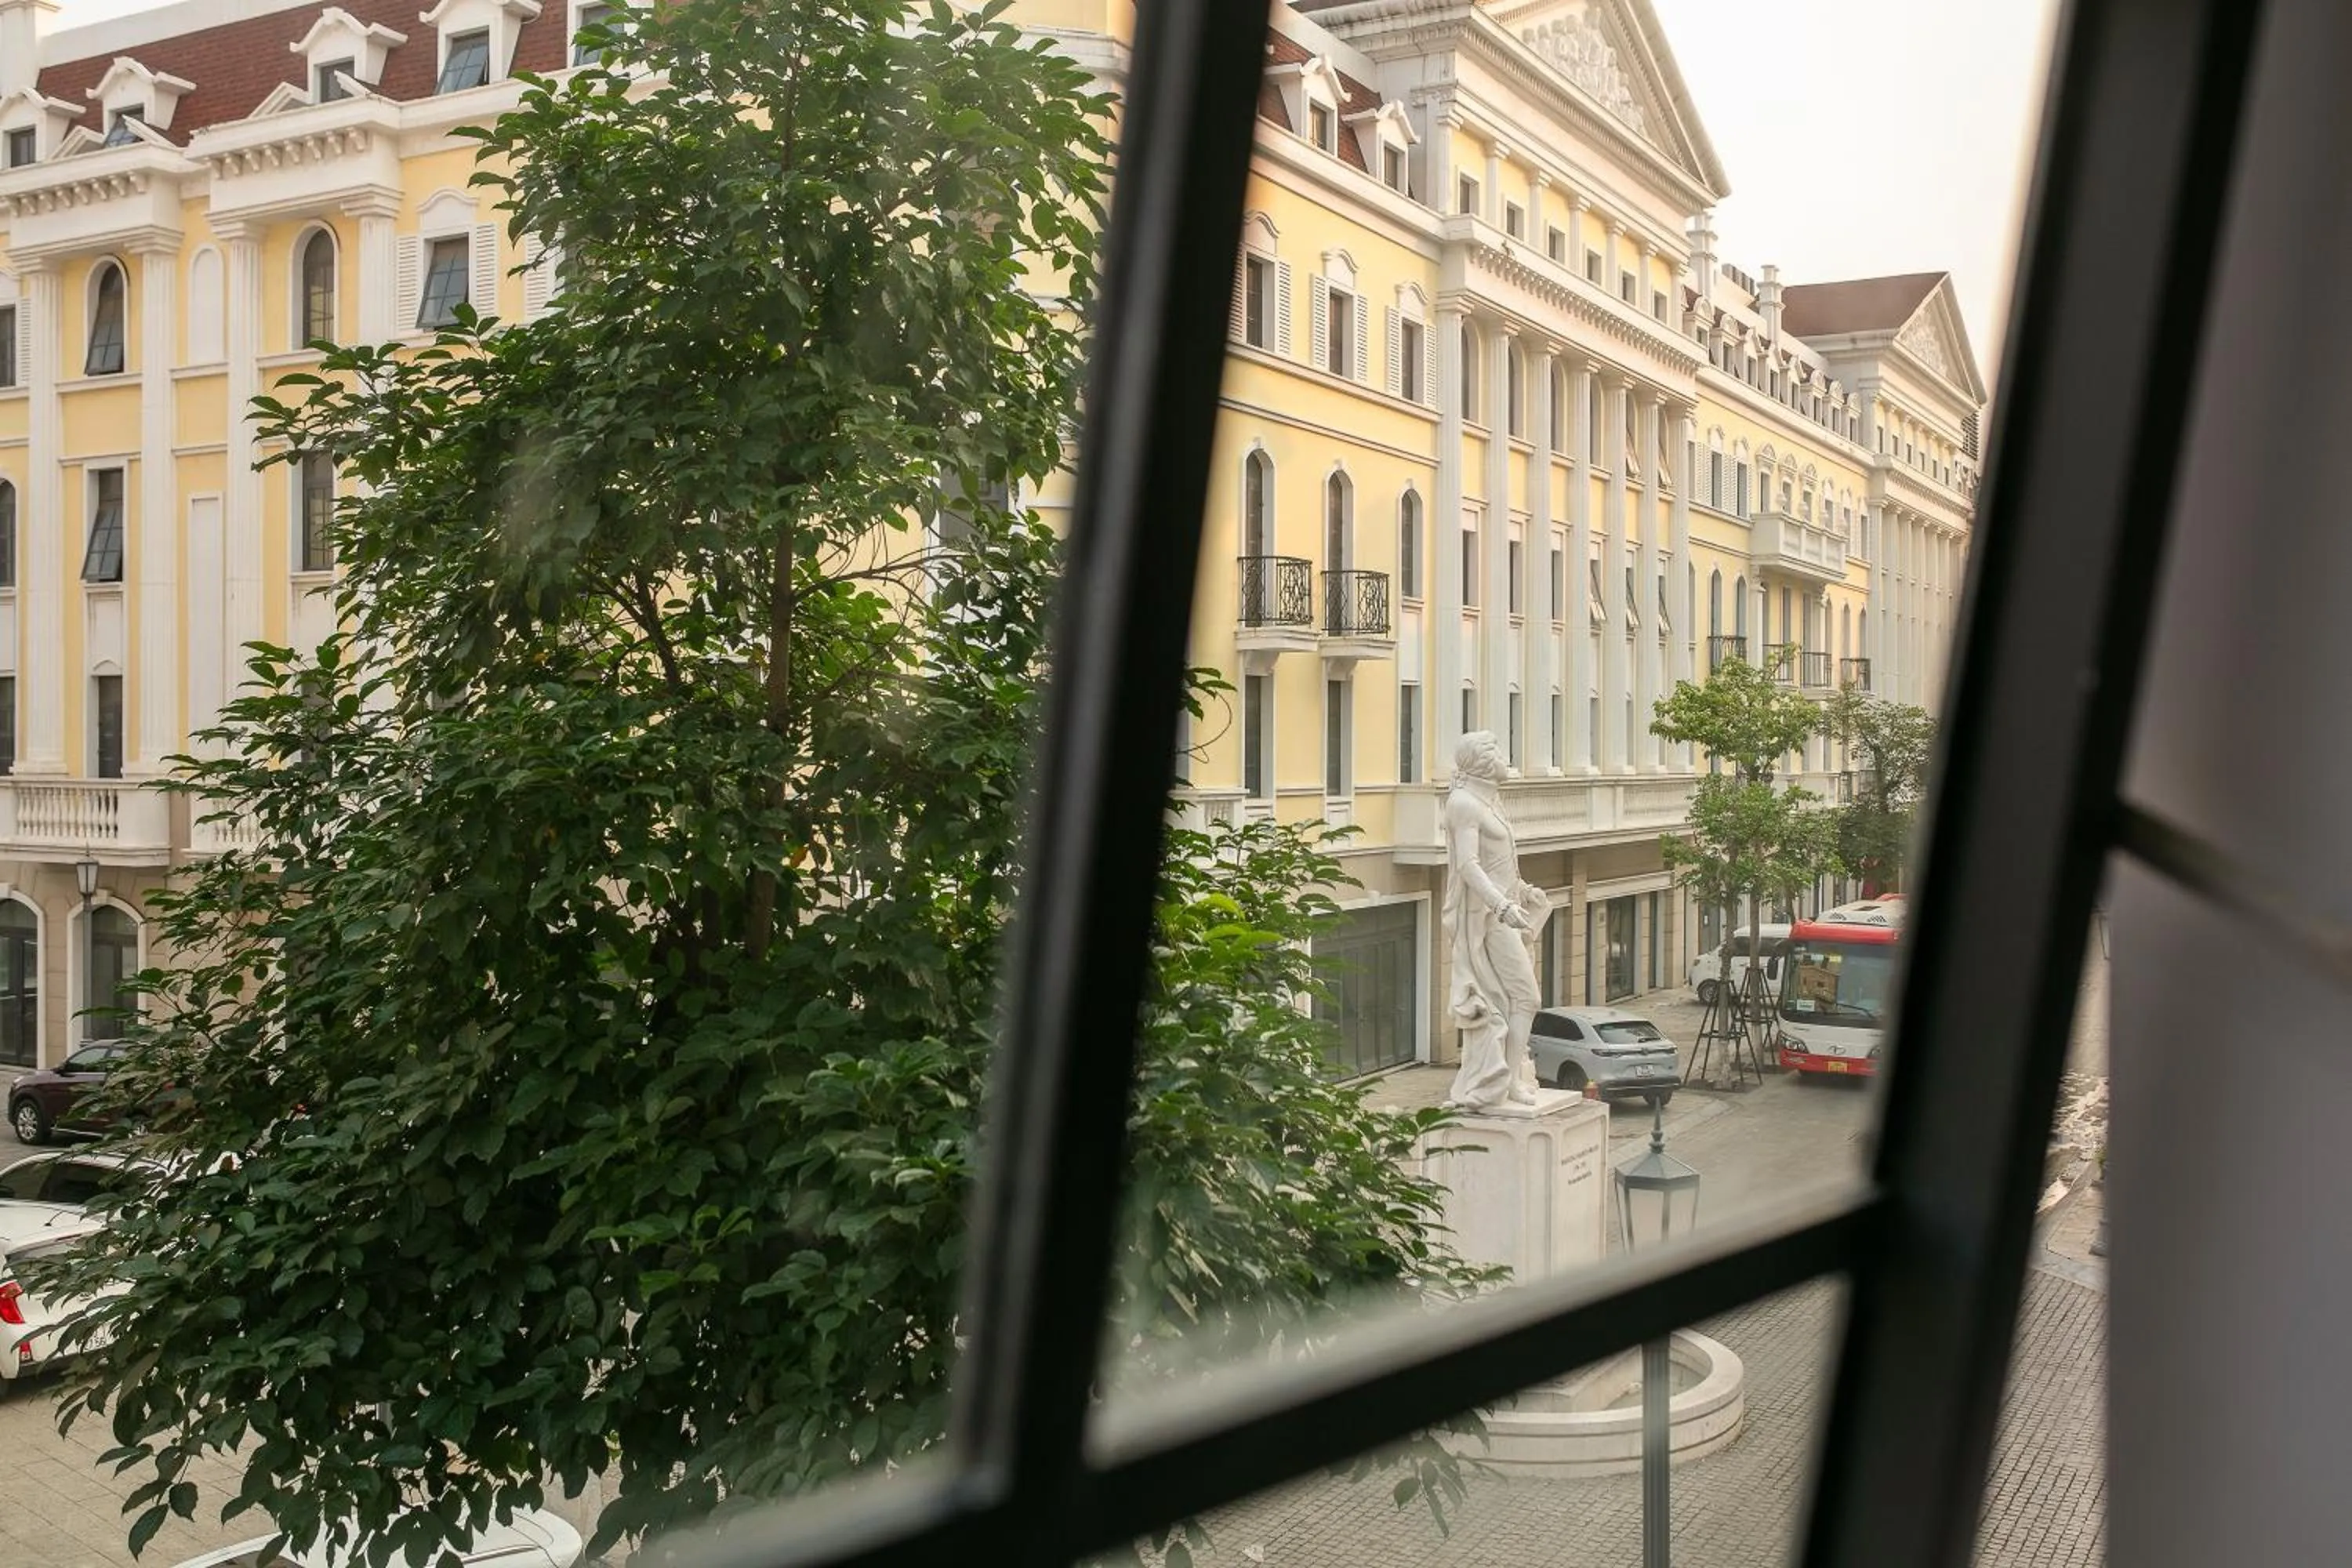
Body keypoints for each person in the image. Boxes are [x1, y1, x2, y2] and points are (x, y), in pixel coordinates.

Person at [1443, 731, 1548, 1111]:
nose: (1506, 757)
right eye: (1499, 750)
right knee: (1525, 996)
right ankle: (1506, 1080)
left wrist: (1522, 891)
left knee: (1509, 999)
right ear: (1483, 760)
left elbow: (1499, 864)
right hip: (1488, 919)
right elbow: (1468, 865)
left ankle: (1509, 1075)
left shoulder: (1490, 802)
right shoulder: (1464, 804)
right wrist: (1501, 905)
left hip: (1507, 910)